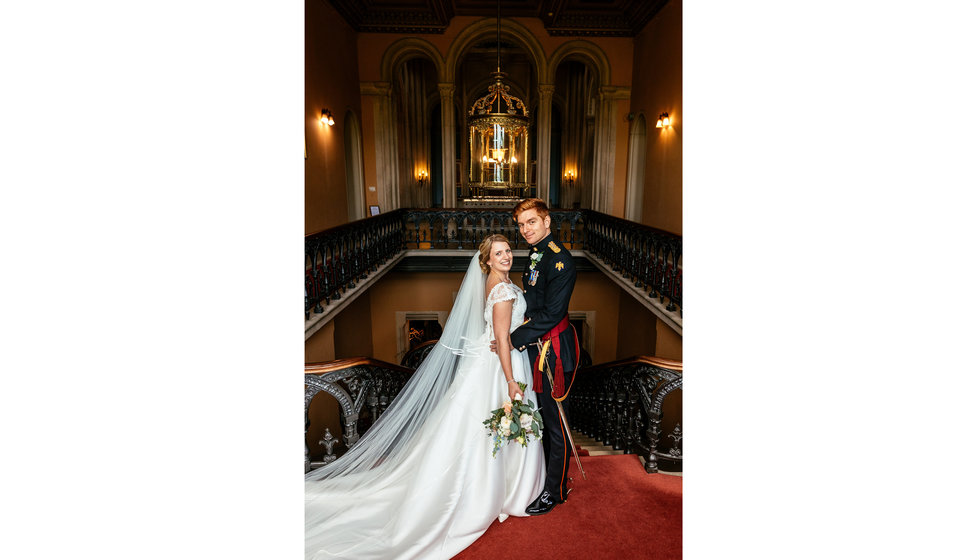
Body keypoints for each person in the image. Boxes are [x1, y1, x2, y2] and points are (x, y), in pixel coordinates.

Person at [305, 234, 545, 560]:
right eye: (499, 253)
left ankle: (497, 484)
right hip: (501, 367)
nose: (506, 257)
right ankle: (492, 491)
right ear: (487, 260)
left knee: (477, 427)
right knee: (488, 426)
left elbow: (500, 333)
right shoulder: (501, 289)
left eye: (508, 251)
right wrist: (511, 381)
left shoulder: (496, 282)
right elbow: (501, 340)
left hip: (492, 362)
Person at [496, 198, 578, 516]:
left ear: (546, 221)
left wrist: (512, 339)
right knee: (543, 419)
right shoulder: (536, 253)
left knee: (556, 425)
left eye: (531, 222)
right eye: (520, 224)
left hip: (555, 351)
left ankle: (554, 492)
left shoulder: (560, 260)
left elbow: (553, 314)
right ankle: (546, 477)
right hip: (537, 347)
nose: (525, 229)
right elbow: (534, 304)